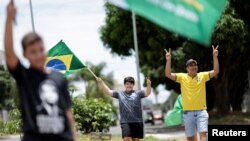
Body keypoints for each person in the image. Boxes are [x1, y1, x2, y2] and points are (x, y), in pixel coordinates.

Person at [4, 1, 77, 141]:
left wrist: (74, 137)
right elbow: (9, 54)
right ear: (24, 55)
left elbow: (67, 112)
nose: (38, 55)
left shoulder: (59, 78)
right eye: (33, 52)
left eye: (41, 50)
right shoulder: (24, 76)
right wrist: (9, 19)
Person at [165, 46, 219, 141]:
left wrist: (215, 56)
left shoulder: (202, 76)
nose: (193, 67)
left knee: (203, 135)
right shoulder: (182, 77)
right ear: (187, 68)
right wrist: (168, 60)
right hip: (188, 113)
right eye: (191, 65)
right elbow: (168, 74)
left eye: (195, 65)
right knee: (191, 138)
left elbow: (216, 71)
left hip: (201, 111)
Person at [96, 76, 151, 141]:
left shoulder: (138, 93)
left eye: (131, 84)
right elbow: (108, 91)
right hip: (125, 121)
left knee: (135, 140)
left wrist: (148, 84)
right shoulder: (120, 93)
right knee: (126, 139)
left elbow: (147, 93)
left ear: (133, 85)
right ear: (124, 85)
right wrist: (101, 82)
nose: (129, 85)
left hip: (137, 121)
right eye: (127, 84)